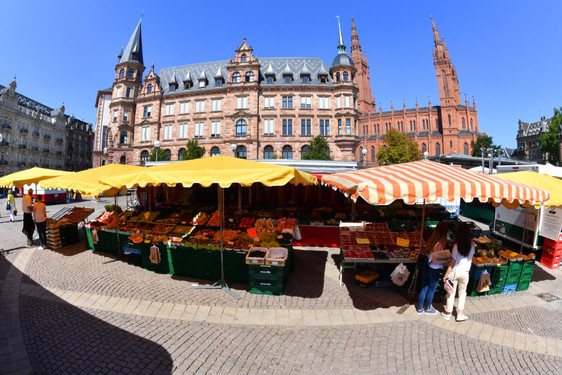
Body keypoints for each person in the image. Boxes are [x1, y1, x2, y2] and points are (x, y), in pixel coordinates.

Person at [442, 222, 476, 322]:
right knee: (462, 293)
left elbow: (453, 262)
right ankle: (460, 314)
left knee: (451, 293)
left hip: (455, 271)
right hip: (465, 272)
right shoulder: (472, 245)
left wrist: (446, 275)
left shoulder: (456, 246)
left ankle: (448, 313)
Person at [417, 222, 449, 314]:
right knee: (431, 290)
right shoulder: (439, 244)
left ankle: (420, 308)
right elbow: (437, 258)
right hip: (434, 269)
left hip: (427, 266)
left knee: (424, 288)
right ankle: (427, 309)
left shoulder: (432, 239)